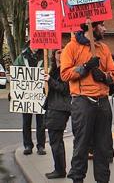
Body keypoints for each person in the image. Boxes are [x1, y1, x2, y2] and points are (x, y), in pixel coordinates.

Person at [60, 21, 114, 183]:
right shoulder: (71, 48)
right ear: (92, 27)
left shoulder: (104, 48)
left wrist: (106, 77)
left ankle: (103, 180)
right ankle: (77, 179)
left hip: (103, 102)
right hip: (82, 101)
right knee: (81, 145)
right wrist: (85, 67)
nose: (105, 29)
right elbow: (64, 74)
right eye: (102, 26)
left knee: (103, 147)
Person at [13, 42, 46, 155]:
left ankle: (41, 146)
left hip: (40, 94)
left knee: (41, 122)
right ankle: (28, 145)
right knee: (26, 122)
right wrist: (14, 91)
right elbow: (15, 73)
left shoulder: (44, 56)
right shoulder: (22, 57)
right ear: (30, 44)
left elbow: (48, 72)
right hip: (26, 95)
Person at [43, 49, 71, 179]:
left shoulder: (66, 70)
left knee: (56, 140)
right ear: (54, 56)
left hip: (60, 108)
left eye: (62, 52)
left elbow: (64, 89)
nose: (60, 54)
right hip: (54, 106)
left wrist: (50, 80)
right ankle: (59, 168)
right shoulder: (54, 70)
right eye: (58, 52)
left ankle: (60, 170)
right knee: (55, 140)